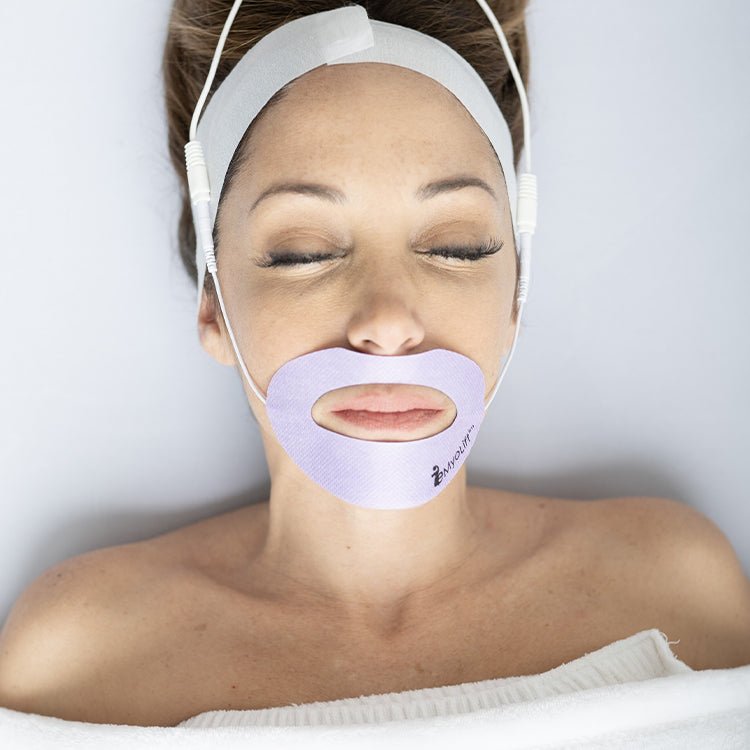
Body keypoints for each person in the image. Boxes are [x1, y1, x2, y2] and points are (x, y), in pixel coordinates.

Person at [1, 0, 749, 729]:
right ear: (213, 305)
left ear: (515, 295)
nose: (389, 324)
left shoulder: (683, 593)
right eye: (304, 253)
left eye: (456, 247)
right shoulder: (75, 662)